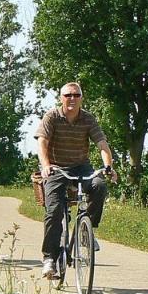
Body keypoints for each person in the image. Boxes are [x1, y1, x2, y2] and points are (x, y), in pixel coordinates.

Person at [35, 82, 119, 278]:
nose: (72, 98)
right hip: (56, 167)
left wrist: (108, 167)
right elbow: (42, 143)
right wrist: (46, 165)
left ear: (81, 97)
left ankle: (86, 231)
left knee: (99, 185)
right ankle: (49, 258)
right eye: (68, 95)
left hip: (81, 166)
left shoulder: (88, 118)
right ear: (61, 97)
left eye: (76, 95)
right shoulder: (52, 117)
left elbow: (102, 144)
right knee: (54, 210)